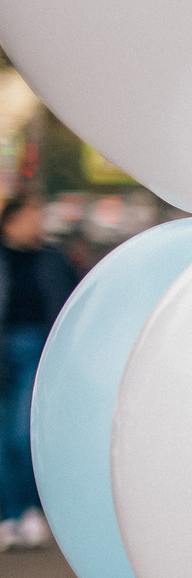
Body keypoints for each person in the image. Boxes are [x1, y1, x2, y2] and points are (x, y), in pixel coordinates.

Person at [1, 193, 75, 551]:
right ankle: (10, 515)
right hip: (5, 353)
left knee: (21, 433)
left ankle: (29, 509)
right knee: (4, 439)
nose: (39, 224)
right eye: (32, 216)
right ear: (12, 220)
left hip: (37, 350)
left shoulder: (50, 258)